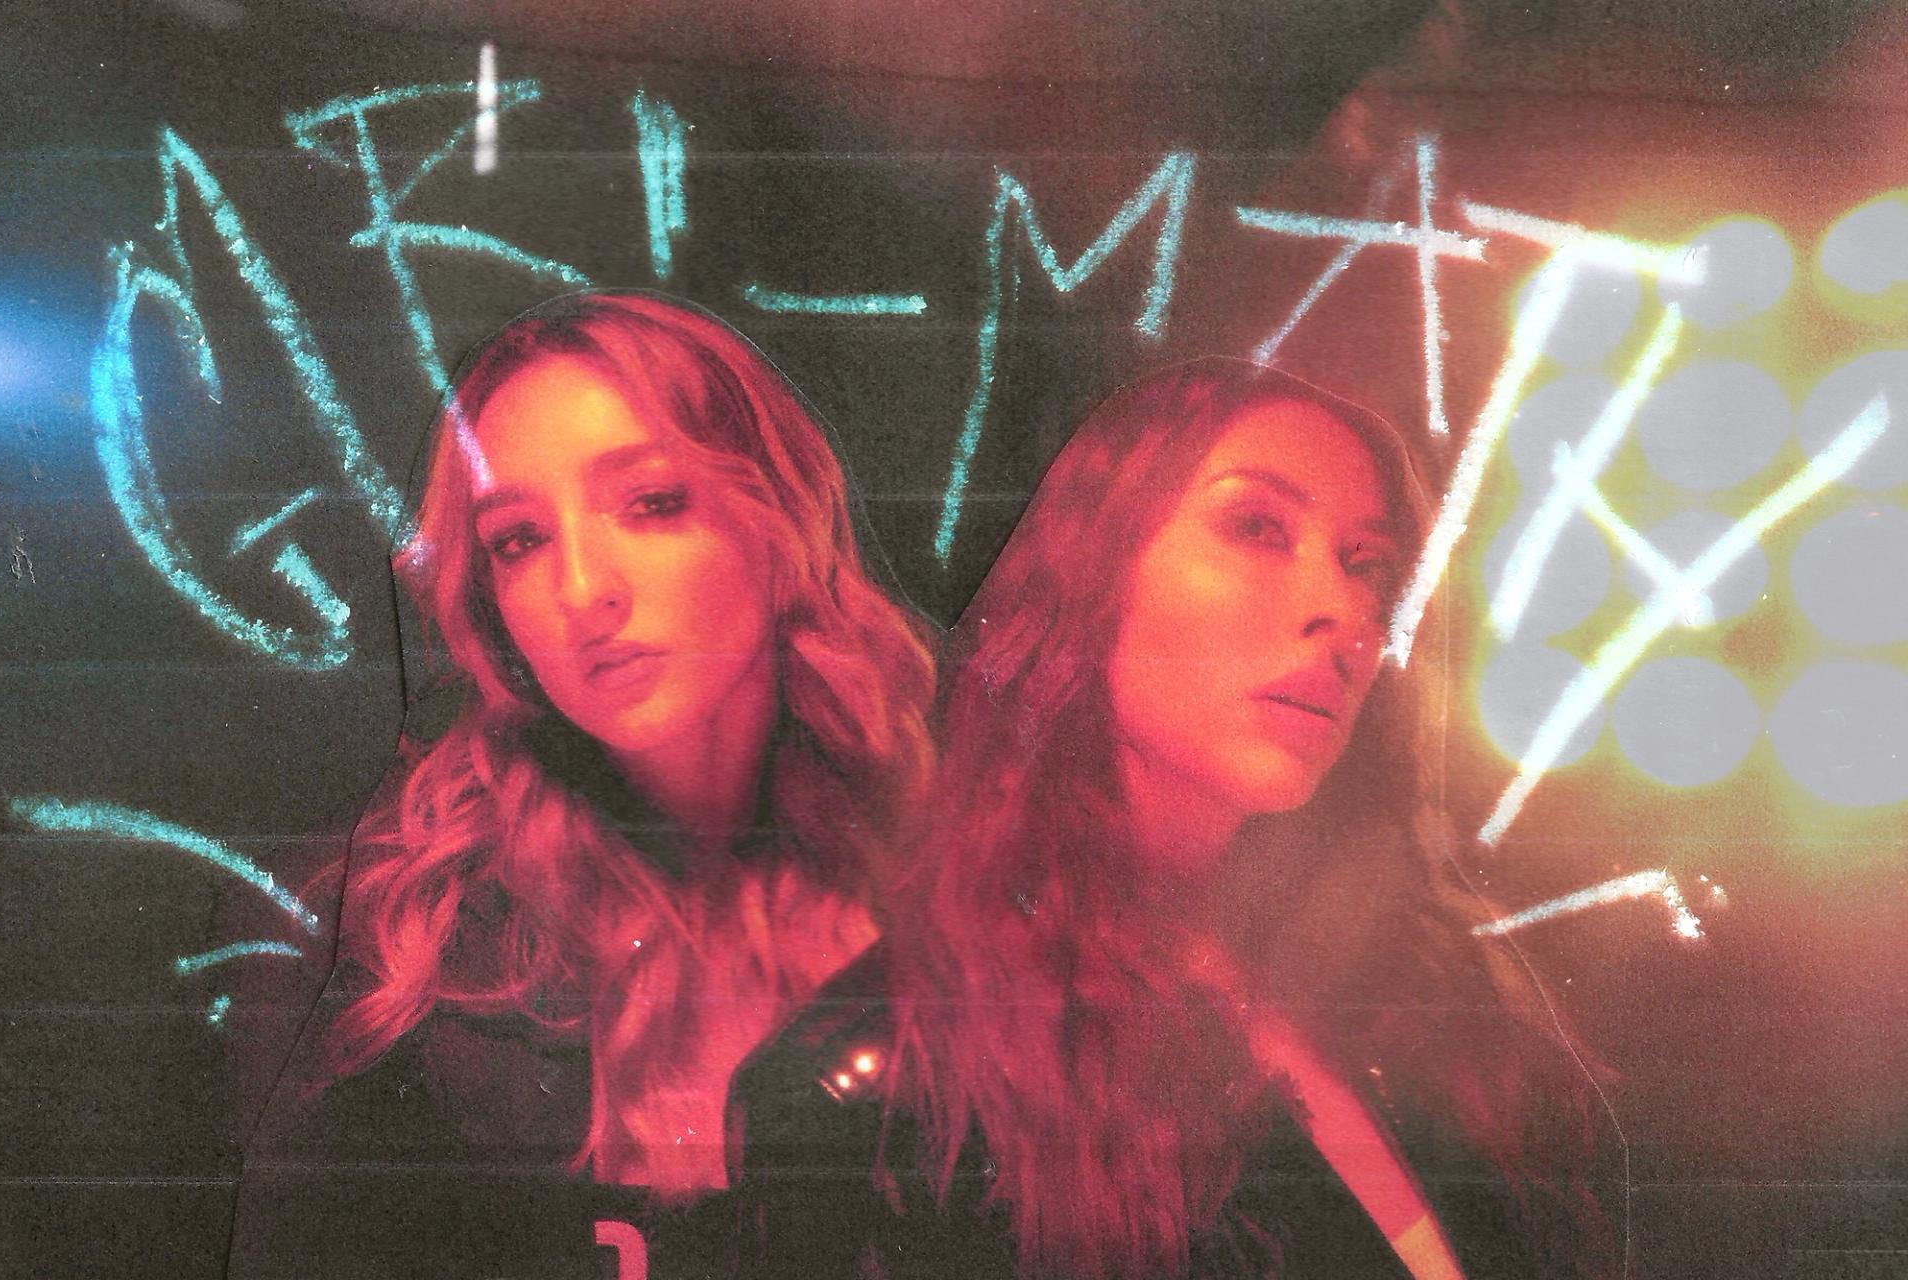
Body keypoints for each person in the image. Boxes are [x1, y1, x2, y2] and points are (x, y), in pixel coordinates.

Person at [727, 360, 1618, 1279]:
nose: (1342, 611)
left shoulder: (1419, 999)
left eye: (1369, 568)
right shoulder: (883, 1090)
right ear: (1092, 572)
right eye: (1257, 528)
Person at [228, 291, 935, 1278]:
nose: (582, 589)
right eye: (519, 539)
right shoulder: (394, 930)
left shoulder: (959, 862)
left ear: (777, 515)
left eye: (652, 503)